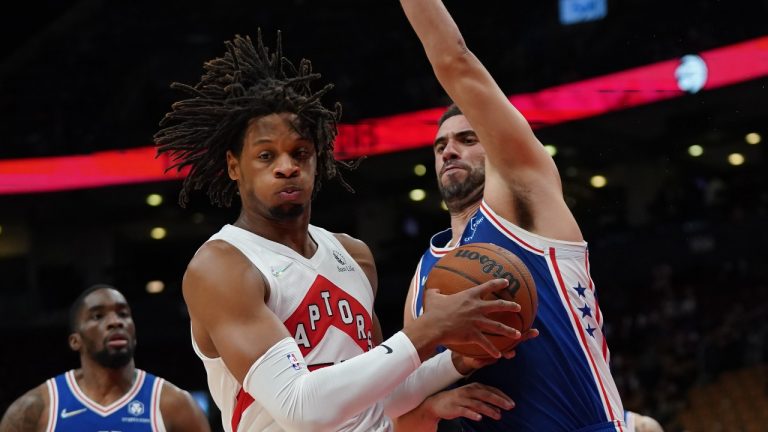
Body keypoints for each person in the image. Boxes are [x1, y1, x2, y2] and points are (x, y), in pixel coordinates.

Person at [154, 32, 525, 432]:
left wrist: (455, 361)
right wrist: (427, 331)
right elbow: (302, 409)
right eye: (266, 156)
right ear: (233, 166)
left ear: (318, 161)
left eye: (300, 153)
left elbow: (379, 397)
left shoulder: (354, 256)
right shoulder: (222, 265)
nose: (286, 166)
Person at [399, 0, 626, 430]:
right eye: (440, 145)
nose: (449, 149)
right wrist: (430, 408)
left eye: (467, 138)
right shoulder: (422, 278)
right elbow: (401, 404)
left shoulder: (525, 196)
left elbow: (455, 62)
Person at [0, 284, 211, 432]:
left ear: (134, 332)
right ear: (75, 341)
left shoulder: (174, 404)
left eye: (123, 314)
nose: (115, 322)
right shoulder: (34, 409)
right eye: (97, 316)